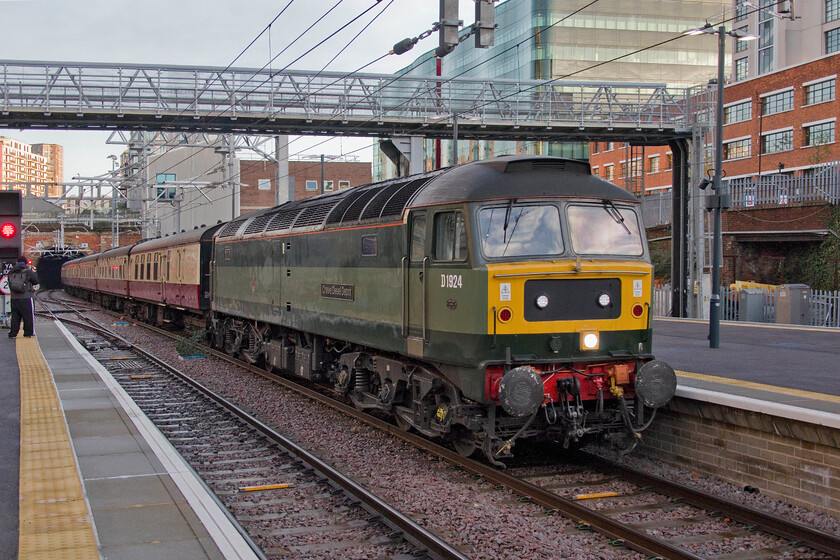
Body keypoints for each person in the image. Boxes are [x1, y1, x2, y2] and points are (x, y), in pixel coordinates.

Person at [8, 255, 39, 338]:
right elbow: (35, 281)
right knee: (28, 316)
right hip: (26, 297)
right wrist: (34, 272)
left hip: (14, 298)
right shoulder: (27, 271)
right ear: (25, 263)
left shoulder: (11, 271)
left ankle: (13, 333)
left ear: (17, 262)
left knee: (15, 316)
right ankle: (28, 333)